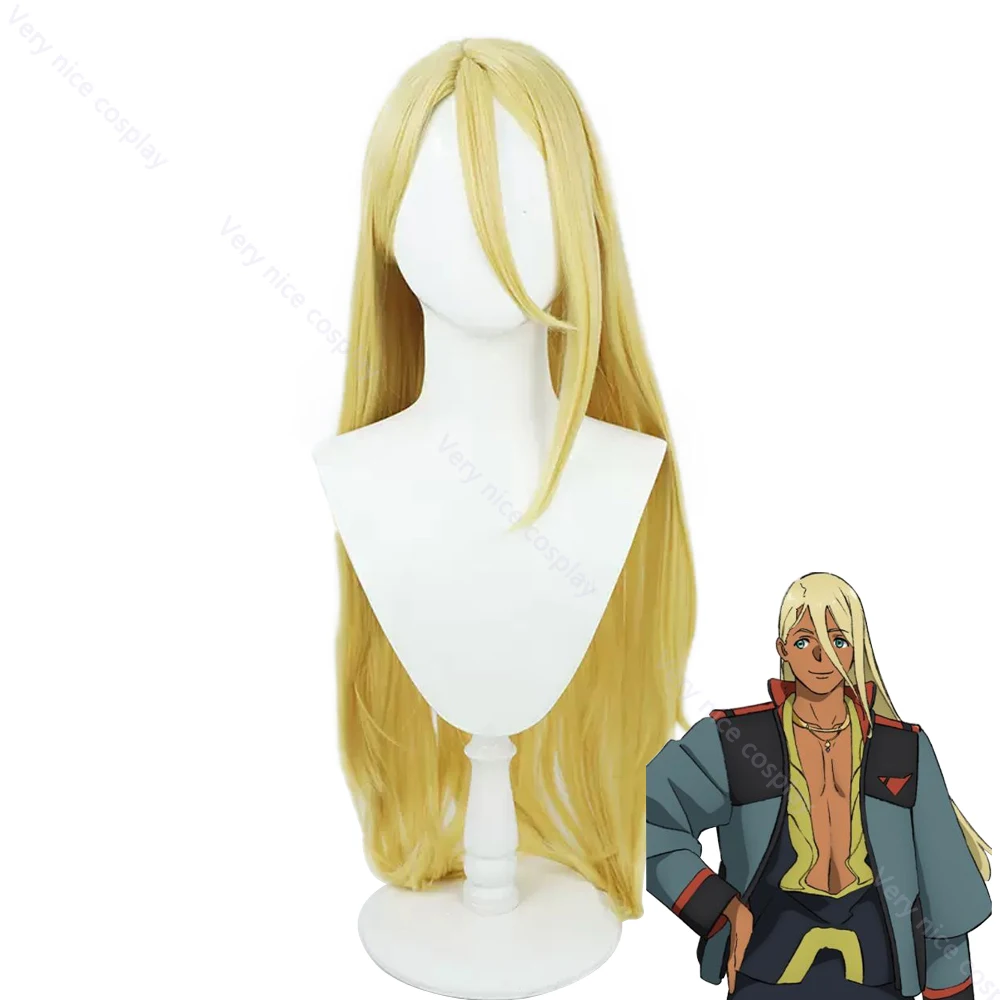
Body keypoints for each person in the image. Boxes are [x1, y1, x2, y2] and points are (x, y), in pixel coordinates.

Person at [646, 572, 991, 997]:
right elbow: (643, 817)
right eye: (805, 640)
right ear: (783, 648)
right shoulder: (735, 740)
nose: (821, 656)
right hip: (766, 959)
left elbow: (944, 894)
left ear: (856, 648)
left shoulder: (902, 748)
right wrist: (719, 908)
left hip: (877, 964)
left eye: (837, 641)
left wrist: (951, 991)